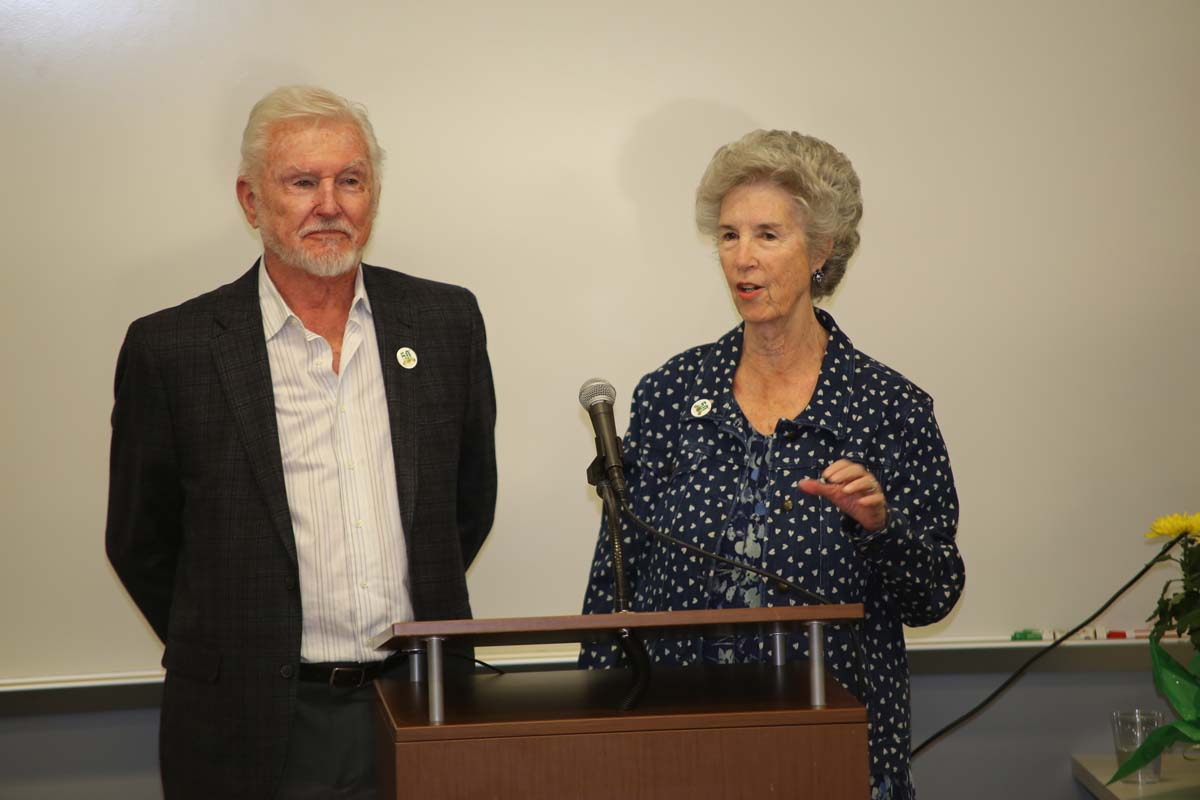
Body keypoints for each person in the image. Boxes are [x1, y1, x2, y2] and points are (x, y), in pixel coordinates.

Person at [105, 86, 497, 800]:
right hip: (248, 722)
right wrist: (233, 639)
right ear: (252, 202)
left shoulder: (445, 324)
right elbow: (141, 541)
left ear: (372, 194)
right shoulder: (174, 350)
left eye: (350, 180)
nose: (330, 204)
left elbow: (465, 506)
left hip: (417, 704)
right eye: (302, 182)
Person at [579, 129, 964, 799]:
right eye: (728, 236)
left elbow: (933, 596)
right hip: (680, 749)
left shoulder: (888, 407)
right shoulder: (671, 393)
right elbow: (618, 575)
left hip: (834, 747)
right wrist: (594, 735)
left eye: (766, 235)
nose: (742, 260)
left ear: (820, 252)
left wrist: (880, 525)